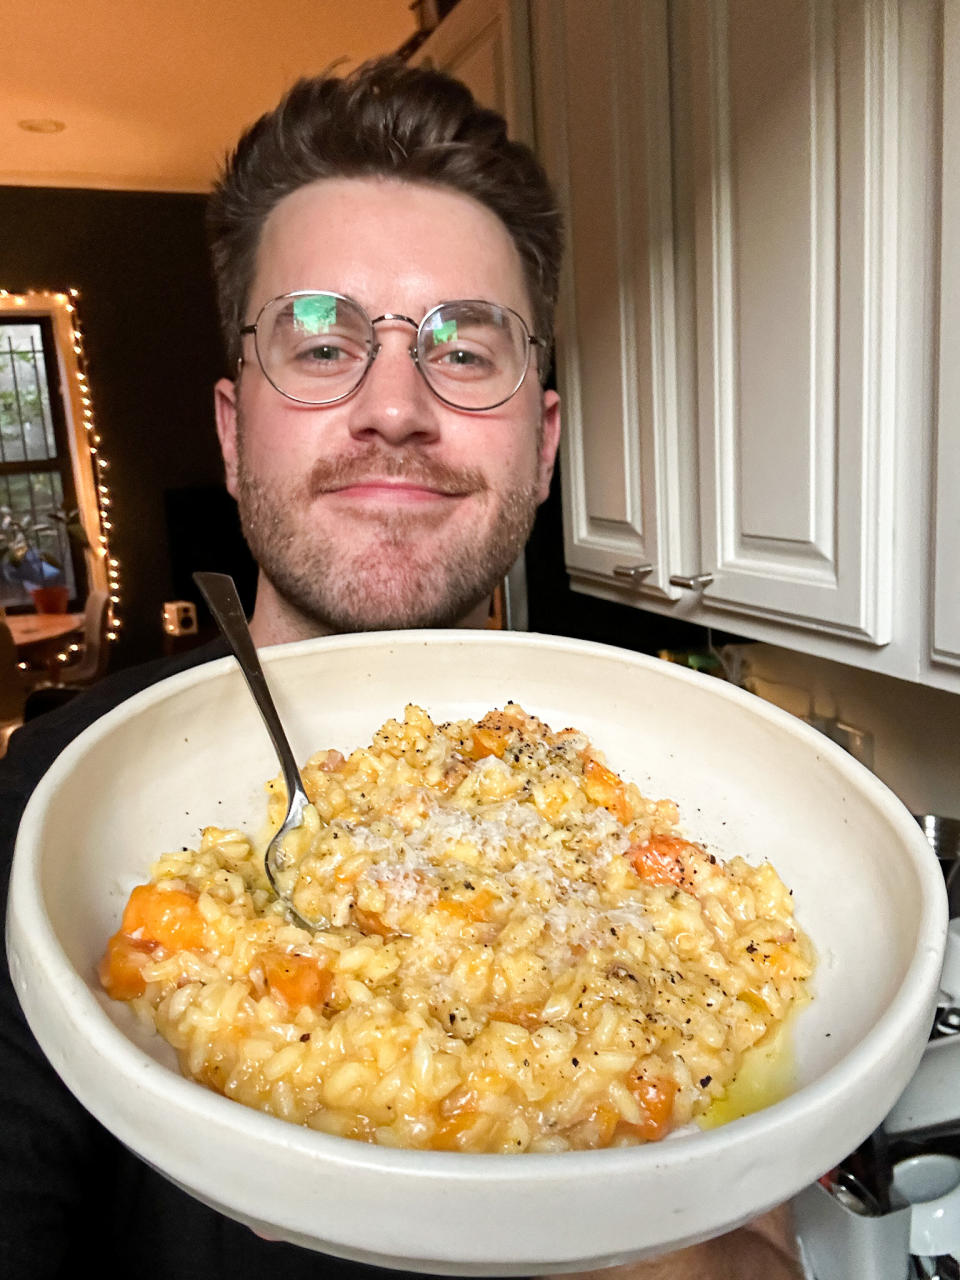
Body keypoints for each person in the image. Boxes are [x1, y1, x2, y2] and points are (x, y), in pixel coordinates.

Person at [0, 58, 801, 1280]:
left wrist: (505, 1203)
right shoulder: (56, 789)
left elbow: (760, 1258)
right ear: (231, 429)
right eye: (320, 346)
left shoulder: (640, 785)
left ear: (540, 444)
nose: (393, 406)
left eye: (465, 351)